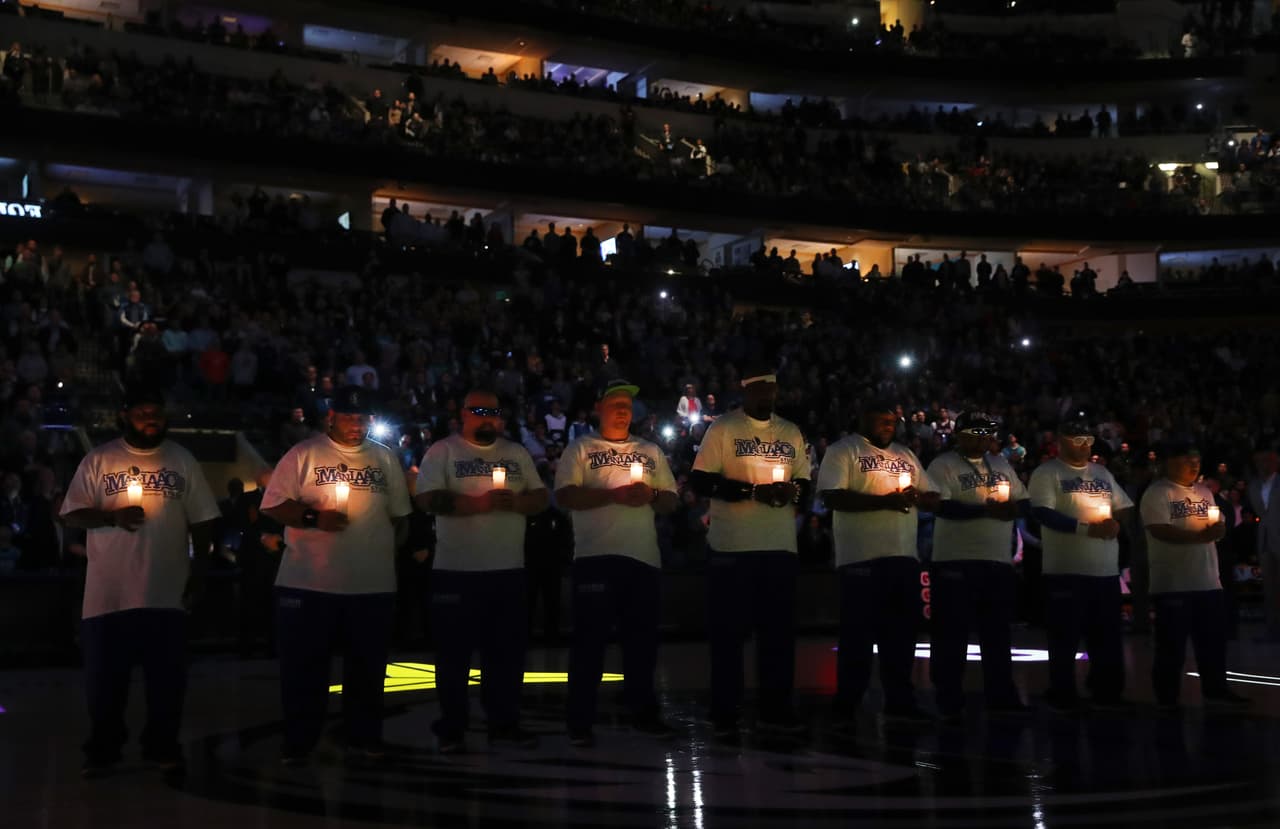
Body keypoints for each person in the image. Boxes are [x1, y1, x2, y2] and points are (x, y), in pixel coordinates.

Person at [60, 387, 219, 777]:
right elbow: (72, 514)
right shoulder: (99, 459)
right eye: (142, 411)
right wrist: (112, 517)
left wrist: (200, 574)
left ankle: (162, 745)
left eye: (157, 412)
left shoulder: (181, 459)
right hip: (108, 595)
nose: (151, 418)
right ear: (124, 416)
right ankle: (104, 749)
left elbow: (203, 520)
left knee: (167, 683)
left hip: (167, 591)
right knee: (104, 685)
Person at [260, 386, 411, 765]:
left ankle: (364, 736)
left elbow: (400, 515)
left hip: (371, 585)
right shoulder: (304, 454)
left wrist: (382, 551)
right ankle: (299, 741)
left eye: (362, 418)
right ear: (332, 417)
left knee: (368, 670)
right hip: (310, 583)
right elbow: (274, 504)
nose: (356, 424)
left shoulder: (384, 458)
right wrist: (313, 518)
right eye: (348, 417)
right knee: (305, 671)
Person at [416, 389, 549, 753]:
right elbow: (426, 498)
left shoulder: (516, 453)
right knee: (453, 656)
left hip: (507, 569)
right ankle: (452, 726)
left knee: (506, 655)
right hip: (456, 570)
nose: (488, 417)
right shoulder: (443, 451)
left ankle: (503, 722)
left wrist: (520, 502)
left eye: (494, 412)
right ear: (463, 414)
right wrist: (477, 503)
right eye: (480, 411)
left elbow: (540, 497)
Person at [555, 379, 680, 745]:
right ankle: (580, 721)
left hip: (642, 558)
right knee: (589, 643)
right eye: (615, 403)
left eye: (627, 403)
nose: (623, 409)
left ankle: (644, 712)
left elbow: (670, 500)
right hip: (595, 557)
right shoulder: (581, 447)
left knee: (642, 644)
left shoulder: (649, 450)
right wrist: (615, 495)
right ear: (599, 408)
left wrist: (652, 494)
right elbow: (564, 495)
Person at [689, 363, 811, 738]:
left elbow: (804, 482)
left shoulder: (789, 432)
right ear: (745, 392)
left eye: (770, 390)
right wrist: (752, 492)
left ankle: (777, 706)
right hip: (732, 546)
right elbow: (700, 480)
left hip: (778, 546)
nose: (765, 396)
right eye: (758, 389)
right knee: (728, 634)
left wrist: (793, 492)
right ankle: (725, 708)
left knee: (778, 634)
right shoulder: (723, 428)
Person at [817, 399, 939, 728]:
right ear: (863, 419)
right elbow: (831, 496)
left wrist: (920, 498)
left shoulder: (906, 454)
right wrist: (885, 501)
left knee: (900, 636)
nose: (888, 426)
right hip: (861, 557)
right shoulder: (844, 450)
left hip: (903, 555)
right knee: (857, 635)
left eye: (891, 421)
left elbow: (932, 495)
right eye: (881, 420)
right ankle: (847, 704)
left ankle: (901, 701)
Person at [925, 412, 1030, 722]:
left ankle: (1001, 695)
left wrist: (1012, 508)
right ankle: (948, 700)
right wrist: (985, 510)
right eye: (978, 432)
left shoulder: (1000, 464)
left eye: (989, 433)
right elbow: (940, 505)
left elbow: (1024, 501)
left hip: (997, 560)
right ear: (961, 434)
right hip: (954, 560)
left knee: (997, 634)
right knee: (950, 634)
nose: (985, 438)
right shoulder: (942, 464)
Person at [1028, 418, 1134, 713]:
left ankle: (1107, 690)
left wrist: (1117, 522)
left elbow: (1124, 507)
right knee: (1065, 637)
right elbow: (1042, 513)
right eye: (1078, 441)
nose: (1085, 446)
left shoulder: (1102, 472)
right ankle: (1062, 691)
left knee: (1107, 637)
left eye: (1088, 441)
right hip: (1065, 570)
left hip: (1104, 570)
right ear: (1061, 441)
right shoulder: (1047, 472)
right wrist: (1086, 528)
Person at [1142, 442, 1251, 710]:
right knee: (1171, 646)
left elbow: (1218, 524)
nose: (1194, 465)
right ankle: (1167, 697)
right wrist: (1199, 537)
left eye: (1197, 461)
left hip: (1208, 580)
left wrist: (1218, 531)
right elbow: (1159, 530)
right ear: (1170, 462)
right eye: (1187, 460)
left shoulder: (1204, 492)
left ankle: (1216, 689)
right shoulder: (1158, 493)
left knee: (1212, 643)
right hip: (1173, 583)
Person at [1246, 448, 1280, 641]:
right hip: (1265, 541)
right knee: (1269, 588)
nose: (1262, 465)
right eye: (1259, 462)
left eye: (1266, 461)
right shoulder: (1254, 486)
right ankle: (1272, 629)